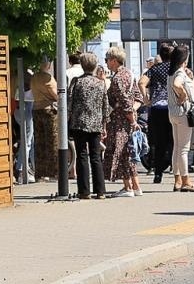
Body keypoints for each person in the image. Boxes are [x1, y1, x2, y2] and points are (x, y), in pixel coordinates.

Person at [67, 51, 109, 199]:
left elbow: (70, 103)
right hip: (96, 124)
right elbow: (105, 106)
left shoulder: (76, 82)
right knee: (96, 156)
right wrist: (104, 124)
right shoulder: (100, 83)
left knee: (82, 156)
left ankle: (84, 191)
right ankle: (100, 191)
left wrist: (68, 118)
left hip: (79, 123)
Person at [103, 46, 142, 197]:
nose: (106, 63)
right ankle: (136, 186)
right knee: (129, 151)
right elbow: (138, 98)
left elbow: (124, 102)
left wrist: (130, 118)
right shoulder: (130, 74)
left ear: (114, 60)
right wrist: (133, 112)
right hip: (130, 118)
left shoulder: (118, 78)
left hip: (121, 121)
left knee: (120, 153)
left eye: (107, 60)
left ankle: (127, 187)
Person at [141, 42, 175, 184]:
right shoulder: (175, 69)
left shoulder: (154, 69)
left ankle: (158, 173)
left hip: (156, 109)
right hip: (172, 107)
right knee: (174, 141)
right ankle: (176, 172)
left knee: (159, 143)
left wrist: (146, 99)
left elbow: (141, 82)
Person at [168, 43, 194, 192]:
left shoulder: (171, 71)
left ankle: (177, 180)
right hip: (183, 112)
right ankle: (186, 180)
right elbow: (177, 84)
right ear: (184, 58)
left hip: (173, 113)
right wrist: (184, 94)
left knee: (177, 147)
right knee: (184, 149)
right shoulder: (180, 73)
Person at [31, 60, 60, 179]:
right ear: (48, 65)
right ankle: (53, 171)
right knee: (52, 141)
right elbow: (56, 95)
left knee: (39, 142)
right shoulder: (48, 78)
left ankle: (40, 172)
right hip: (49, 110)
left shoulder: (34, 78)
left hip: (36, 109)